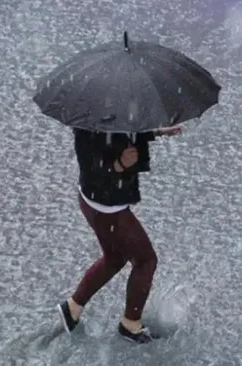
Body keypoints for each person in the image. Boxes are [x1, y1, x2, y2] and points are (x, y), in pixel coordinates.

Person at [57, 124, 183, 343]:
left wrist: (157, 132)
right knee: (146, 260)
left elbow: (123, 132)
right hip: (107, 208)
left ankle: (73, 308)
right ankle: (130, 324)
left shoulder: (105, 113)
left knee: (115, 258)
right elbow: (92, 165)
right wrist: (118, 165)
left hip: (96, 201)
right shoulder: (90, 125)